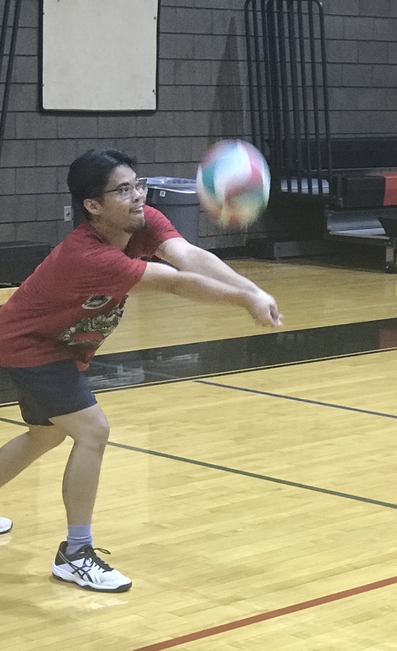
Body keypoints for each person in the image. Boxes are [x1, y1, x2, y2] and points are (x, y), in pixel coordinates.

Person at [0, 148, 282, 593]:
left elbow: (187, 257)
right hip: (31, 346)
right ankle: (76, 553)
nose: (138, 197)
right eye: (123, 190)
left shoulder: (142, 221)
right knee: (92, 431)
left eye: (139, 185)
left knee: (46, 434)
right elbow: (174, 281)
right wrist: (244, 300)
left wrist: (253, 289)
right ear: (93, 206)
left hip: (54, 345)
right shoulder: (88, 255)